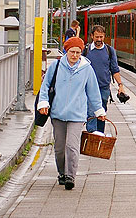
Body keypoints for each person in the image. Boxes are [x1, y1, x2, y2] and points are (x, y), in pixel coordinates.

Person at [37, 36, 105, 190]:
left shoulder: (86, 69)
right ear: (66, 51)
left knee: (72, 146)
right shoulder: (56, 66)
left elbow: (93, 92)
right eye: (72, 52)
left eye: (78, 52)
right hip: (57, 113)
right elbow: (45, 86)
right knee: (60, 147)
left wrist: (99, 110)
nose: (75, 55)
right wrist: (43, 103)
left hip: (77, 114)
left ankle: (70, 176)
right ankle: (61, 173)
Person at [83, 25, 123, 134]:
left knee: (101, 114)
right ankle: (92, 136)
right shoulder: (86, 51)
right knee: (91, 113)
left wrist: (120, 85)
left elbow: (114, 69)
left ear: (104, 36)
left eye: (101, 37)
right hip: (89, 89)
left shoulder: (109, 51)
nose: (99, 40)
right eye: (97, 37)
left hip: (104, 88)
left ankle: (99, 136)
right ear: (92, 36)